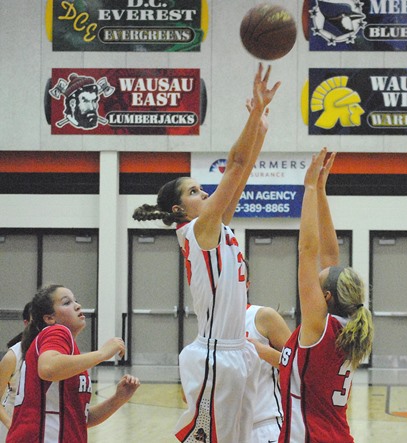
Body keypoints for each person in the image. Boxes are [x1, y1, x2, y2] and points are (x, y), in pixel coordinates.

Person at [132, 63, 280, 443]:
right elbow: (235, 164)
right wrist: (252, 117)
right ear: (180, 209)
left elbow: (243, 173)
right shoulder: (198, 231)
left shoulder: (216, 226)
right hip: (215, 356)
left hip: (237, 352)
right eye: (196, 191)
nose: (205, 193)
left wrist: (260, 130)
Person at [277, 147, 374, 443]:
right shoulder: (345, 326)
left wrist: (307, 188)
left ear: (327, 297)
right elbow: (330, 256)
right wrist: (321, 190)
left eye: (317, 284)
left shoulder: (319, 328)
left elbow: (308, 251)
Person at [6, 284, 140, 443]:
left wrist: (118, 398)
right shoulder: (56, 331)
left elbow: (81, 418)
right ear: (50, 318)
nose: (77, 306)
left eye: (75, 301)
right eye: (66, 303)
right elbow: (47, 368)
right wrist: (102, 353)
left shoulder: (70, 355)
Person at [244, 260, 292, 443]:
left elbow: (299, 365)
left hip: (264, 427)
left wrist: (264, 352)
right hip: (228, 429)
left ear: (247, 285)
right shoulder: (213, 325)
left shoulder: (263, 316)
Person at [0, 302, 31, 442]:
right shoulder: (13, 356)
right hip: (13, 424)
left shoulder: (57, 354)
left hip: (44, 426)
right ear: (26, 323)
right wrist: (11, 425)